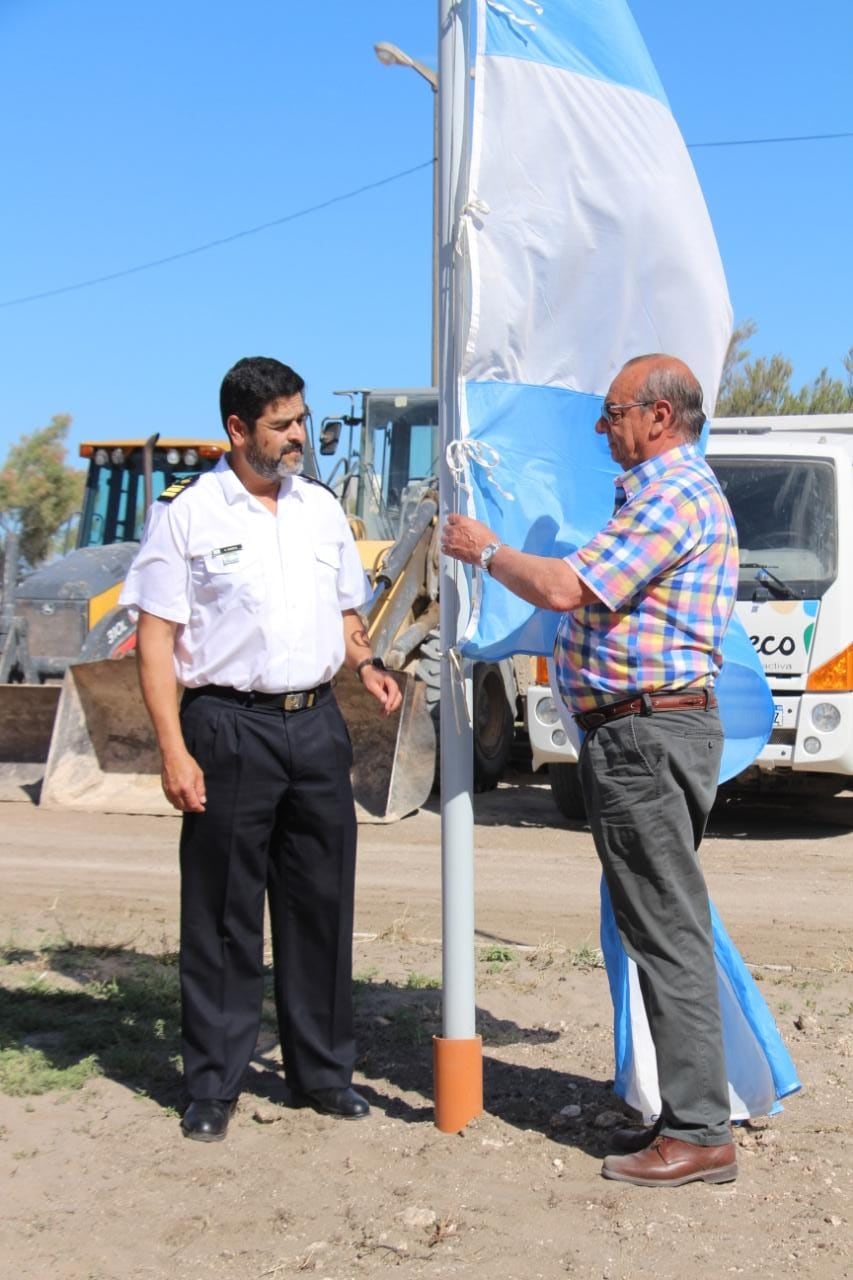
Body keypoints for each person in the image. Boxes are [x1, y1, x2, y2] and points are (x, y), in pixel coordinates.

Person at [442, 353, 740, 1188]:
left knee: (663, 930)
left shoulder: (671, 495)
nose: (601, 427)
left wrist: (484, 549)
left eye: (611, 413)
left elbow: (569, 589)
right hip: (645, 735)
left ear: (657, 417)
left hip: (646, 739)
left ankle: (698, 1130)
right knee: (655, 925)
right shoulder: (663, 494)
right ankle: (685, 1114)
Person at [121, 356, 401, 1142]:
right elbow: (155, 640)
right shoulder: (187, 515)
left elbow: (347, 613)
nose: (298, 436)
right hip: (226, 724)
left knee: (320, 904)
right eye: (281, 424)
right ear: (237, 429)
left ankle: (322, 1074)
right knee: (222, 913)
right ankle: (212, 1083)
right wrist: (172, 750)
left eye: (302, 420)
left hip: (315, 727)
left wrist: (369, 663)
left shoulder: (318, 511)